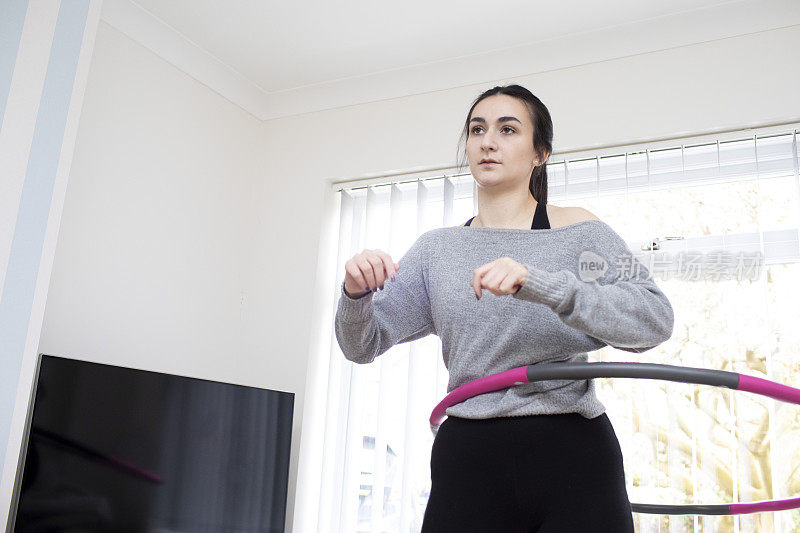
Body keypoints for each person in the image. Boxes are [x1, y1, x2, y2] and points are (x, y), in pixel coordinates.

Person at [334, 84, 674, 532]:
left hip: (573, 452)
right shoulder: (437, 250)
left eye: (508, 129)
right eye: (477, 129)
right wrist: (356, 293)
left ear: (540, 154)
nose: (487, 141)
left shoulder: (584, 232)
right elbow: (362, 345)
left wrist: (541, 285)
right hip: (471, 460)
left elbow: (653, 320)